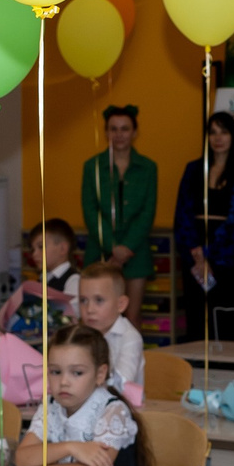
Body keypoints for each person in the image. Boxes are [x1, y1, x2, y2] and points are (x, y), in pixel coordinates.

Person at [9, 326, 136, 466]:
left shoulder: (113, 411)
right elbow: (22, 458)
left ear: (100, 374)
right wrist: (70, 447)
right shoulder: (51, 405)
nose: (64, 382)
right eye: (56, 372)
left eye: (77, 373)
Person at [173, 111, 234, 346]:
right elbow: (182, 214)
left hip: (227, 260)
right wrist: (196, 254)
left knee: (228, 317)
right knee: (197, 316)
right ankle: (197, 372)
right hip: (194, 258)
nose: (218, 138)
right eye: (213, 132)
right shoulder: (192, 170)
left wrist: (210, 254)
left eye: (224, 132)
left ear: (233, 136)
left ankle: (231, 371)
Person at [82, 103, 156, 321]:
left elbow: (147, 212)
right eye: (113, 129)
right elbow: (90, 209)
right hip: (101, 251)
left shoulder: (148, 167)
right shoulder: (92, 166)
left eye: (124, 129)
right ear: (106, 132)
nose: (119, 134)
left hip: (135, 253)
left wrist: (126, 248)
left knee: (132, 316)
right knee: (97, 316)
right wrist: (112, 247)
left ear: (134, 132)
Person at [74, 262, 144, 398]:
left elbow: (122, 385)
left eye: (99, 300)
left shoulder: (129, 338)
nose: (89, 309)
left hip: (122, 411)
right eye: (83, 300)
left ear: (121, 304)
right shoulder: (79, 335)